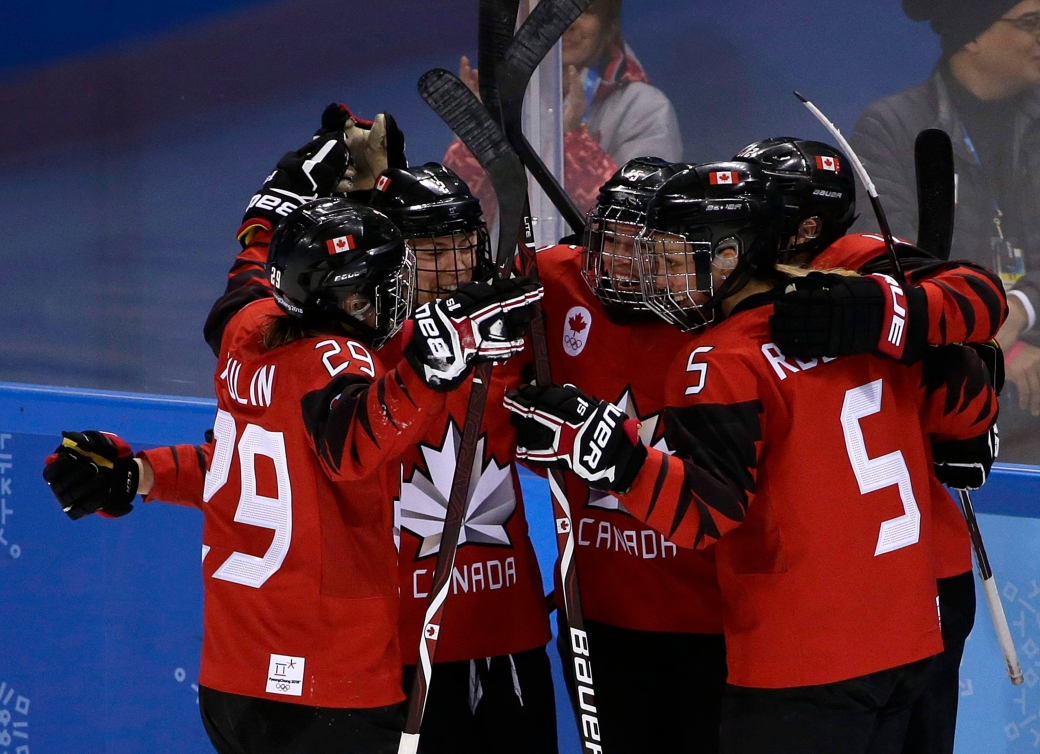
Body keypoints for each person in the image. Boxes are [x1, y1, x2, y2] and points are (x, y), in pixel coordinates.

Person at [506, 162, 1000, 754]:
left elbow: (705, 513)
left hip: (800, 658)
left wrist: (613, 457)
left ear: (726, 255)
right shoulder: (863, 326)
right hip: (906, 639)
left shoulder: (719, 358)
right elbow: (965, 404)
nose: (653, 276)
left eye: (668, 258)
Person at [42, 191, 540, 754]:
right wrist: (430, 368)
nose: (395, 300)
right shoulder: (341, 359)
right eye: (381, 287)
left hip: (233, 681)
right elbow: (349, 442)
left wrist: (139, 473)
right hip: (326, 685)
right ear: (348, 300)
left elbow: (237, 467)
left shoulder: (248, 339)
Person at [736, 136, 1007, 754]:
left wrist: (890, 313)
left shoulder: (863, 260)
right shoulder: (742, 275)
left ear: (807, 224)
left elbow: (984, 300)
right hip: (831, 583)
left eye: (759, 204)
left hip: (917, 573)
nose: (739, 218)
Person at [532, 156, 727, 753]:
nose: (615, 260)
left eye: (637, 245)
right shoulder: (555, 283)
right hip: (597, 617)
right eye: (607, 239)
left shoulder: (725, 308)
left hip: (714, 622)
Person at [850, 0, 1040, 463]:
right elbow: (891, 267)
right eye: (1031, 23)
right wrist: (992, 343)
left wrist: (1020, 314)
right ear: (971, 36)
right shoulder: (893, 128)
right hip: (948, 379)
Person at [445, 0, 683, 217]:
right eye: (551, 9)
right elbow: (462, 219)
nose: (567, 23)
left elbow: (636, 220)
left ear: (609, 27)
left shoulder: (645, 108)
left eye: (585, 10)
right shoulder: (500, 101)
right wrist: (480, 135)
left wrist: (573, 142)